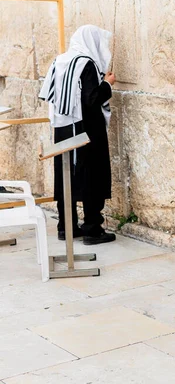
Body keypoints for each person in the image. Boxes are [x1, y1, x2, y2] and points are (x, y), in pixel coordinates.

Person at [39, 25, 116, 245]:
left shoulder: (60, 60)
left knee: (66, 174)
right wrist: (107, 84)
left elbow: (50, 94)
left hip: (63, 127)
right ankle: (93, 229)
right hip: (86, 128)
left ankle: (66, 227)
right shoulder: (87, 63)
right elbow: (91, 99)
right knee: (92, 174)